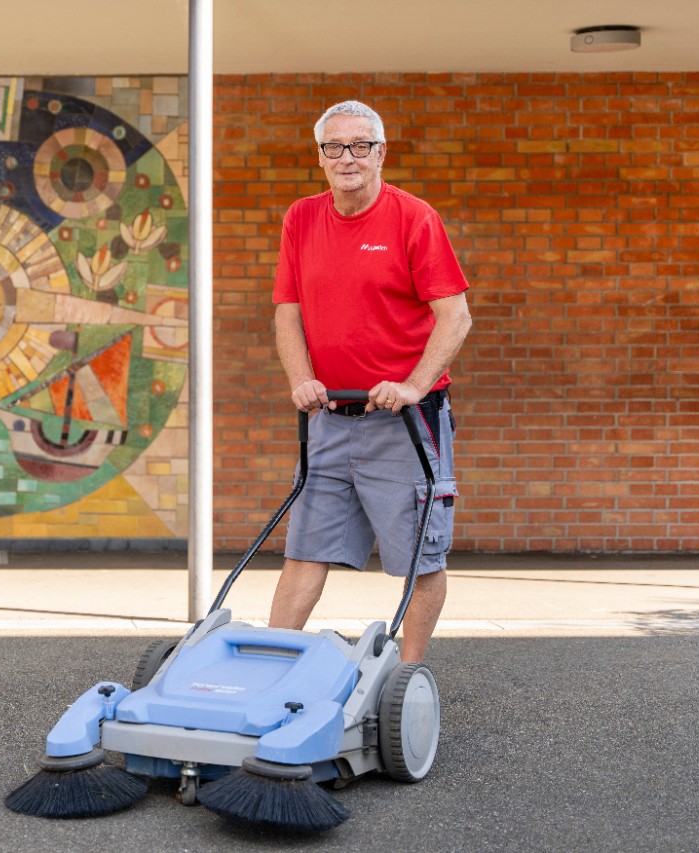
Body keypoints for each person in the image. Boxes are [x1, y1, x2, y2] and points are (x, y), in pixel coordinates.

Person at [269, 100, 472, 663]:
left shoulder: (414, 218)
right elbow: (287, 312)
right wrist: (301, 378)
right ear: (321, 156)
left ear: (381, 152)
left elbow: (455, 316)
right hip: (329, 418)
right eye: (334, 147)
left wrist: (412, 385)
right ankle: (266, 670)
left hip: (404, 423)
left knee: (418, 559)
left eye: (360, 145)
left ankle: (406, 681)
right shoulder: (302, 218)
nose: (347, 158)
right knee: (304, 552)